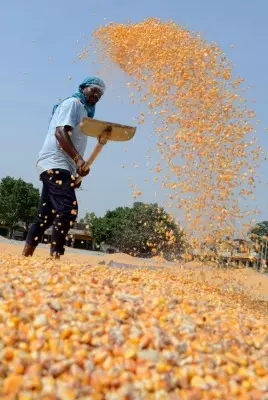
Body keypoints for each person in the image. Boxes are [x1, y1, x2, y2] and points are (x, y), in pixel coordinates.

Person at [22, 76, 106, 259]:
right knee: (68, 209)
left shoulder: (84, 112)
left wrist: (76, 170)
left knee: (46, 215)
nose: (97, 95)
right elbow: (60, 132)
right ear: (84, 87)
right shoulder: (72, 104)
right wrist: (78, 160)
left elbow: (74, 141)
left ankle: (25, 256)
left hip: (63, 166)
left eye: (100, 94)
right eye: (94, 90)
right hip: (55, 162)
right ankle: (56, 258)